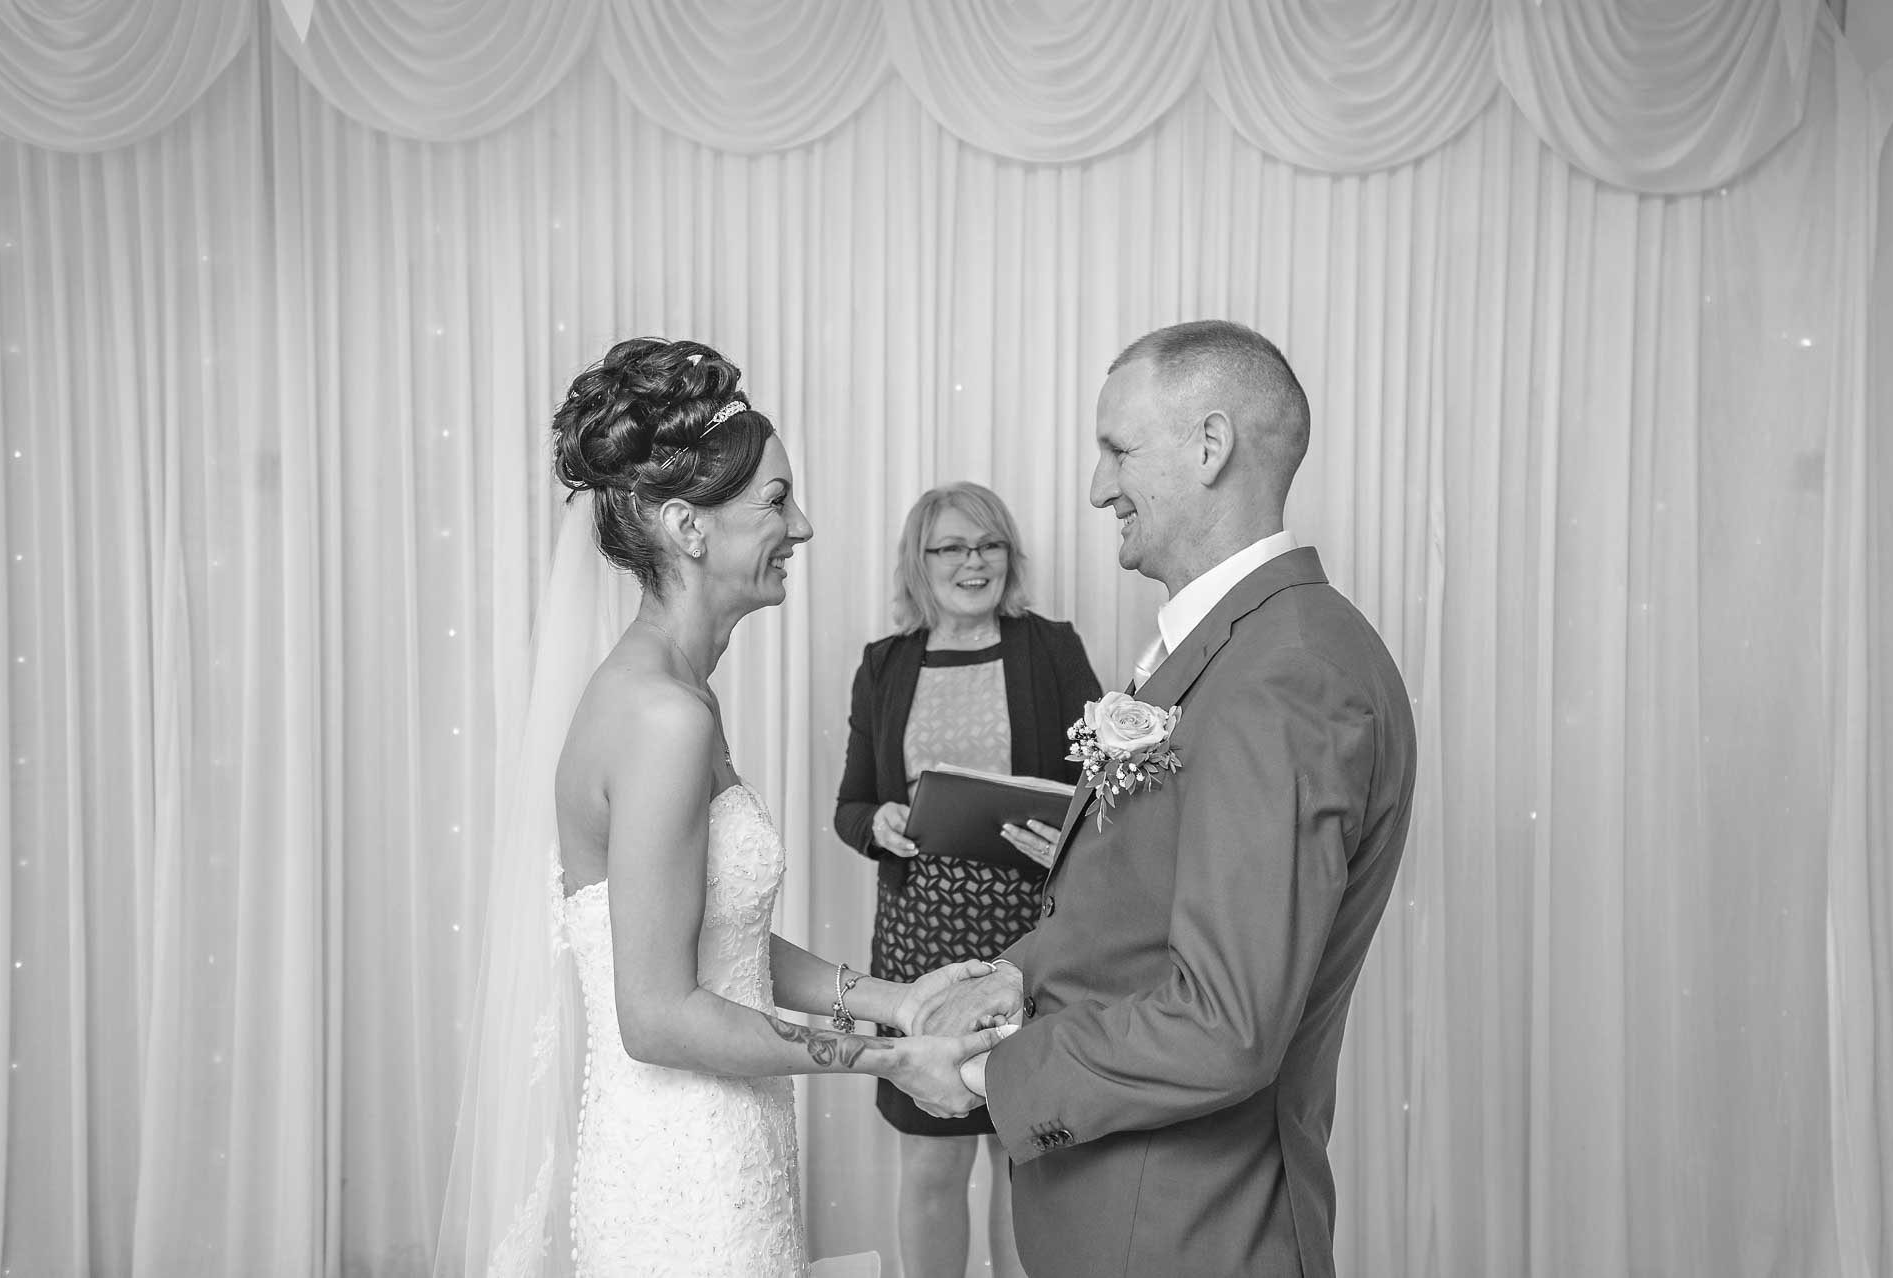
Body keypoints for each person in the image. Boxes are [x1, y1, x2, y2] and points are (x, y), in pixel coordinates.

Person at [434, 338, 1007, 1278]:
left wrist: (894, 1003)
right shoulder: (662, 717)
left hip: (721, 1139)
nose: (806, 527)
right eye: (778, 500)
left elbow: (712, 939)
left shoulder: (672, 692)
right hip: (685, 1175)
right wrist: (891, 1061)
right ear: (687, 527)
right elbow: (656, 1018)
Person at [921, 320, 1418, 1276]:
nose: (1098, 486)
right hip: (1134, 1220)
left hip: (1191, 1232)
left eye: (1117, 449)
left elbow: (1227, 1025)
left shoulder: (1289, 673)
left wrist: (996, 1072)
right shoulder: (1238, 646)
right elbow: (1147, 901)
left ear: (1210, 446)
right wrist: (1019, 972)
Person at [833, 482, 1101, 1278]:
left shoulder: (1050, 648)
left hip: (1033, 943)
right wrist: (876, 823)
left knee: (1029, 1159)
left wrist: (1065, 832)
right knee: (932, 1165)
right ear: (920, 562)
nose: (972, 562)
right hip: (921, 952)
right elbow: (850, 805)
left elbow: (1107, 792)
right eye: (951, 547)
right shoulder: (885, 665)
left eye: (988, 545)